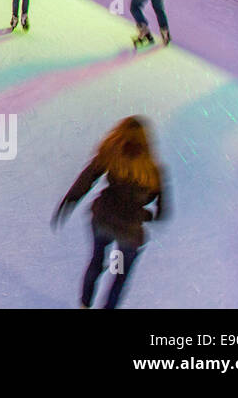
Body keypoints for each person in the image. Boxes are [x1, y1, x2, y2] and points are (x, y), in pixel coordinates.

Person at [52, 116, 167, 309]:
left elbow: (86, 180)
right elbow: (161, 210)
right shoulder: (152, 170)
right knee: (120, 274)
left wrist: (68, 202)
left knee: (97, 260)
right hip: (128, 233)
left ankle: (84, 305)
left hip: (103, 220)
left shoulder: (110, 154)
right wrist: (146, 215)